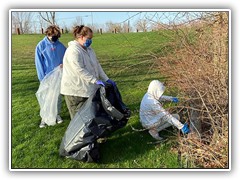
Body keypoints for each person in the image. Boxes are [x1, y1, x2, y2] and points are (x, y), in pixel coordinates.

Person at [60, 25, 116, 120]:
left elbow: (97, 66)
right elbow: (79, 70)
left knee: (90, 117)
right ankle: (80, 135)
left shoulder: (89, 50)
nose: (90, 40)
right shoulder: (73, 51)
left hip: (87, 89)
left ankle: (91, 134)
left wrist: (106, 79)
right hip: (75, 91)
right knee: (78, 119)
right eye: (89, 38)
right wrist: (95, 80)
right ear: (81, 37)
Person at [35, 25, 66, 128]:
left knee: (56, 97)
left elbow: (67, 58)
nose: (55, 37)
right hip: (46, 76)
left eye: (57, 35)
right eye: (53, 35)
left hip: (58, 76)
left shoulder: (61, 46)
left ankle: (56, 115)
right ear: (48, 34)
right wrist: (42, 78)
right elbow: (39, 63)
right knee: (45, 97)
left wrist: (64, 65)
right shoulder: (41, 46)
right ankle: (44, 118)